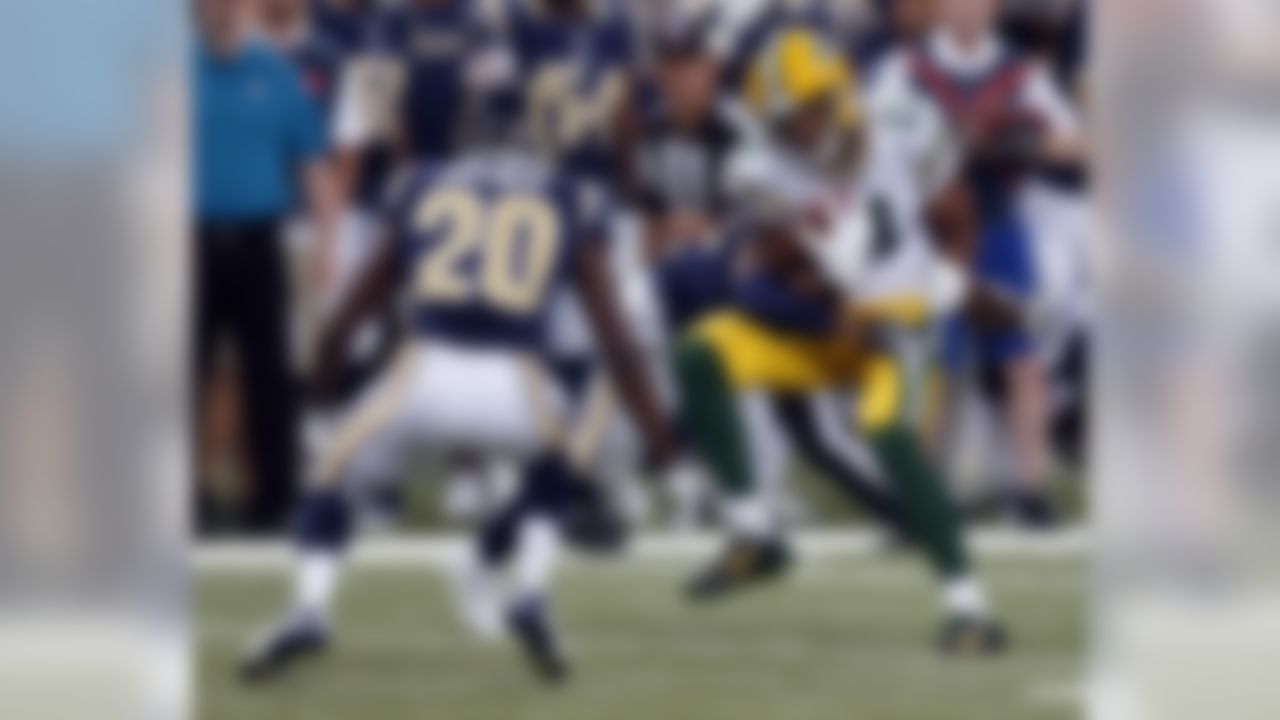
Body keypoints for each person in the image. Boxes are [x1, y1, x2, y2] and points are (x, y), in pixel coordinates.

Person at [237, 91, 682, 683]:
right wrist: (664, 447)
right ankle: (530, 590)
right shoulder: (569, 196)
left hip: (424, 373)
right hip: (520, 382)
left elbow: (349, 315)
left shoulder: (423, 182)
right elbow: (618, 341)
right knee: (558, 467)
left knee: (332, 477)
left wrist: (321, 401)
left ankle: (312, 606)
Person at [672, 28, 1011, 654]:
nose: (798, 132)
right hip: (826, 327)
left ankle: (969, 609)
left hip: (901, 314)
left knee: (888, 431)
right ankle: (755, 535)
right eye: (783, 123)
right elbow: (769, 265)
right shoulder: (757, 167)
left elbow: (959, 221)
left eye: (806, 113)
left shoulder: (907, 124)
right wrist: (820, 290)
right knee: (700, 352)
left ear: (841, 95)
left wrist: (945, 290)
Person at [869, 0, 1084, 527]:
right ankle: (922, 494)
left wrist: (1024, 140)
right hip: (936, 231)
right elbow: (871, 139)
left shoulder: (1019, 70)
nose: (968, 9)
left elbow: (1079, 145)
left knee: (1023, 359)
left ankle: (1028, 489)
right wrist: (942, 146)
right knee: (938, 363)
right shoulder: (906, 69)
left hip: (1001, 222)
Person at [194, 0, 340, 534]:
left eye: (233, 4)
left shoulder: (278, 76)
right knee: (187, 375)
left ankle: (272, 501)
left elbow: (313, 165)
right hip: (190, 243)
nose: (223, 11)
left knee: (269, 376)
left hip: (259, 242)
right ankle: (193, 499)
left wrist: (329, 244)